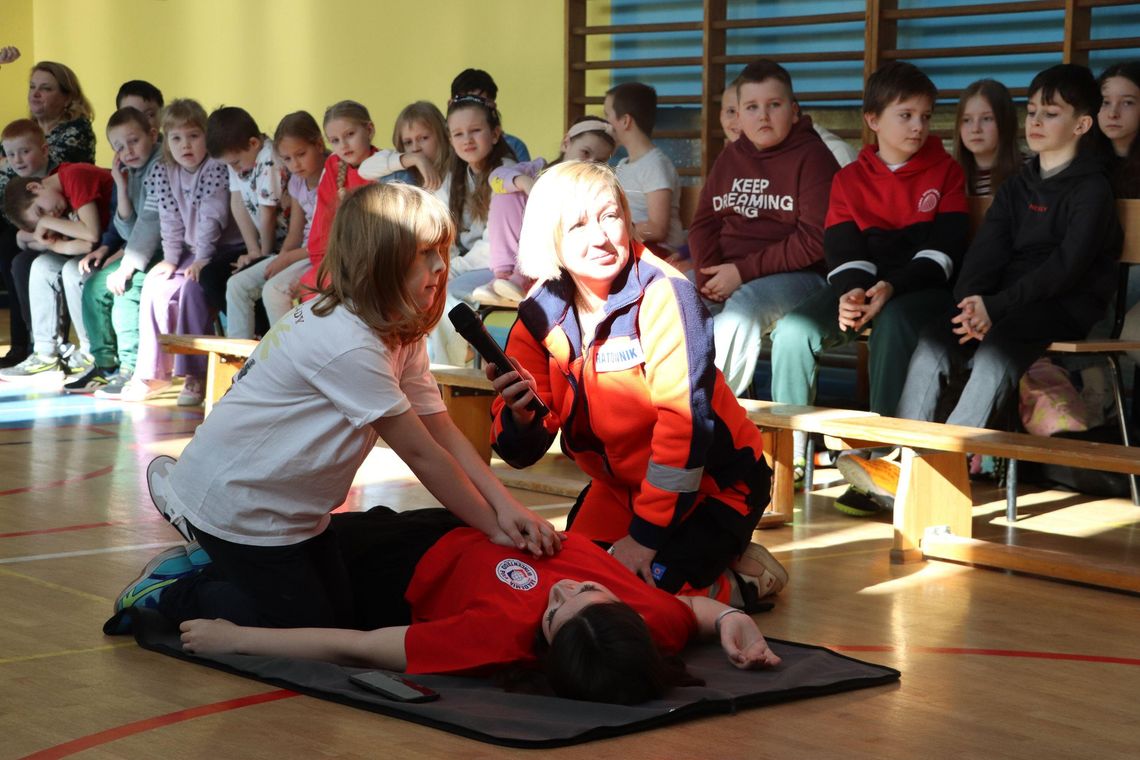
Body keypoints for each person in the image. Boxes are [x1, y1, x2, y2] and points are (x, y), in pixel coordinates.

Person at [114, 183, 559, 632]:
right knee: (304, 628)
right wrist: (495, 527)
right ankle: (175, 591)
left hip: (291, 514)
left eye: (441, 251)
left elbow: (441, 431)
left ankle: (217, 558)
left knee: (345, 615)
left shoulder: (398, 329)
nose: (441, 266)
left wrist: (507, 508)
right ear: (377, 260)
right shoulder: (349, 344)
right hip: (241, 508)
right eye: (425, 253)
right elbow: (422, 454)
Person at [487, 161, 787, 607]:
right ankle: (703, 559)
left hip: (714, 487)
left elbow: (684, 430)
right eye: (577, 225)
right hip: (618, 490)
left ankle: (745, 579)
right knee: (563, 582)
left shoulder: (668, 295)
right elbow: (519, 452)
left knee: (632, 600)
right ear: (548, 236)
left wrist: (644, 540)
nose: (601, 237)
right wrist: (520, 413)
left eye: (610, 216)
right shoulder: (538, 312)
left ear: (628, 218)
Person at [842, 64, 1124, 513]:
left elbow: (1065, 269)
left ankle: (933, 471)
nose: (1035, 122)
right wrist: (970, 303)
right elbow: (984, 255)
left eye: (1050, 114)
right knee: (936, 338)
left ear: (1082, 124)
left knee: (996, 352)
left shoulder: (1091, 189)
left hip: (1062, 304)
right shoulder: (1018, 186)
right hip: (1000, 304)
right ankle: (893, 460)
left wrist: (996, 307)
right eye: (1031, 111)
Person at [162, 507, 781, 705]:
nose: (560, 588)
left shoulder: (498, 638)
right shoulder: (650, 620)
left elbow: (353, 644)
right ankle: (208, 524)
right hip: (467, 517)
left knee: (268, 593)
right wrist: (737, 624)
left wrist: (234, 640)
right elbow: (699, 611)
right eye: (585, 591)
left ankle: (185, 575)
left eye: (553, 610)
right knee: (276, 531)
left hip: (399, 565)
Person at [768, 61, 969, 514]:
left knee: (895, 323)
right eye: (906, 115)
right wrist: (852, 294)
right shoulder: (849, 179)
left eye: (925, 115)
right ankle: (787, 459)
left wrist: (889, 289)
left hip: (920, 291)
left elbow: (942, 255)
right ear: (873, 120)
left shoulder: (947, 173)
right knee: (794, 332)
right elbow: (843, 249)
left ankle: (883, 464)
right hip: (863, 287)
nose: (918, 126)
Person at [688, 59, 840, 397]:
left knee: (743, 309)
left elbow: (815, 241)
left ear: (794, 110)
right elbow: (703, 223)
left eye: (774, 105)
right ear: (737, 115)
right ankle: (653, 410)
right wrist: (707, 274)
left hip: (800, 276)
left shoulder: (814, 158)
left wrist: (740, 273)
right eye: (752, 107)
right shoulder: (730, 157)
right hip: (730, 272)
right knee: (674, 297)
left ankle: (705, 416)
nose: (763, 116)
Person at [123, 98, 244, 406]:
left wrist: (202, 259)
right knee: (155, 284)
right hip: (192, 250)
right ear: (166, 141)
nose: (185, 145)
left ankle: (195, 375)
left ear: (207, 137)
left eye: (194, 136)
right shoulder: (164, 171)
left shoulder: (215, 167)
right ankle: (152, 373)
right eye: (176, 138)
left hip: (222, 248)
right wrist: (171, 259)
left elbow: (211, 217)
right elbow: (169, 219)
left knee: (192, 289)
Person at [470, 115, 616, 304]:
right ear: (566, 144)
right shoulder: (536, 170)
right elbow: (495, 178)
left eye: (600, 161)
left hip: (553, 263)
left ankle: (523, 277)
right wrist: (525, 183)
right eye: (585, 152)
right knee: (507, 191)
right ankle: (503, 276)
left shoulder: (593, 192)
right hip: (513, 257)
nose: (589, 163)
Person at [72, 106, 165, 396]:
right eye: (119, 147)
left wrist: (127, 267)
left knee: (125, 291)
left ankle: (131, 367)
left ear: (152, 133)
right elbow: (127, 230)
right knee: (95, 285)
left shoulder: (160, 164)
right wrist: (121, 186)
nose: (128, 151)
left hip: (164, 251)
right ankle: (106, 364)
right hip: (140, 248)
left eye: (133, 141)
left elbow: (152, 224)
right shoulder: (130, 171)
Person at [0, 161, 113, 385]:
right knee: (42, 265)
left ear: (35, 188)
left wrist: (47, 222)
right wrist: (51, 243)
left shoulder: (73, 176)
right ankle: (45, 354)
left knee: (74, 269)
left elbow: (90, 235)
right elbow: (81, 246)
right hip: (96, 247)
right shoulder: (56, 201)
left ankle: (90, 352)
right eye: (42, 216)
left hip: (117, 243)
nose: (50, 215)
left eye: (40, 210)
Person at [426, 94, 517, 364]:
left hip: (503, 267)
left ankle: (447, 372)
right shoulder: (456, 176)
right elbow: (439, 224)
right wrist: (442, 261)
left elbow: (495, 248)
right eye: (458, 133)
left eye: (476, 130)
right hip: (469, 264)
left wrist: (452, 267)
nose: (467, 139)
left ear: (495, 133)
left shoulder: (506, 174)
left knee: (444, 294)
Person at [205, 106, 289, 338]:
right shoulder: (241, 158)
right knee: (210, 275)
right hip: (264, 243)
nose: (234, 168)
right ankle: (254, 335)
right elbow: (238, 203)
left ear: (253, 143)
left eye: (234, 163)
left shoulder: (268, 159)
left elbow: (268, 213)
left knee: (246, 279)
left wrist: (261, 255)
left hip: (282, 246)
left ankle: (264, 337)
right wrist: (252, 249)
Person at [297, 100, 380, 300]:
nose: (343, 145)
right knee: (309, 286)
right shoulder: (334, 165)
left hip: (372, 262)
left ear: (369, 129)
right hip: (335, 259)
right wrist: (324, 262)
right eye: (334, 140)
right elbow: (322, 221)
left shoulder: (383, 165)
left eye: (350, 135)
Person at [253, 112, 329, 327]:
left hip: (320, 253)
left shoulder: (331, 177)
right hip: (300, 252)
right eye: (287, 159)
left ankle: (288, 354)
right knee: (237, 285)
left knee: (274, 292)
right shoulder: (296, 182)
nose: (295, 164)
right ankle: (248, 356)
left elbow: (328, 240)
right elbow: (295, 232)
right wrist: (282, 257)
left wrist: (287, 259)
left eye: (301, 154)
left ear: (319, 145)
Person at [0, 119, 58, 367]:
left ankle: (41, 343)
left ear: (44, 150)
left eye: (25, 152)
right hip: (34, 239)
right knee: (9, 258)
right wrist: (26, 237)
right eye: (11, 154)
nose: (18, 160)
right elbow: (19, 229)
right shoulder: (13, 183)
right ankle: (21, 343)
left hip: (59, 240)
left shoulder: (57, 177)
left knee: (22, 264)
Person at [603, 82, 686, 252]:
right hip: (632, 245)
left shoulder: (654, 165)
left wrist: (617, 229)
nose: (605, 125)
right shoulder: (622, 165)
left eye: (607, 116)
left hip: (657, 252)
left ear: (625, 121)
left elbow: (657, 229)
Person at [357, 100, 450, 191]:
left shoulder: (454, 172)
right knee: (394, 174)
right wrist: (416, 159)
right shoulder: (405, 167)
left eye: (424, 138)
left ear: (441, 134)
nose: (415, 148)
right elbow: (364, 170)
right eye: (408, 142)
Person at [954, 79, 1022, 196]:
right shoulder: (950, 176)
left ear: (1005, 121)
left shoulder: (1031, 171)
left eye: (987, 119)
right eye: (967, 120)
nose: (976, 129)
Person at [450, 67, 530, 162]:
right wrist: (426, 161)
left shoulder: (514, 146)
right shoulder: (442, 147)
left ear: (493, 106)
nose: (467, 140)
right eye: (465, 102)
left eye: (481, 103)